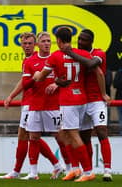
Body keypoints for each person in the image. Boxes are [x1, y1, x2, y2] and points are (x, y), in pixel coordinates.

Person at [33, 27, 99, 182]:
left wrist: (36, 75)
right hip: (82, 98)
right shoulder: (82, 54)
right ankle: (74, 169)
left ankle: (88, 171)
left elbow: (41, 77)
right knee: (63, 133)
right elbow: (94, 69)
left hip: (68, 101)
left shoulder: (56, 56)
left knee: (74, 135)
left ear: (59, 40)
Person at [0, 32, 66, 180]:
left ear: (35, 44)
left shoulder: (47, 59)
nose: (27, 46)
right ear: (21, 45)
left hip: (37, 103)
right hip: (29, 102)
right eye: (25, 43)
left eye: (30, 43)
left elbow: (31, 81)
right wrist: (11, 95)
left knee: (31, 135)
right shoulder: (27, 61)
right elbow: (24, 81)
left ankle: (20, 171)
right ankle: (53, 166)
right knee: (30, 136)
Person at [21, 31, 65, 180]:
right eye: (44, 41)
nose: (47, 43)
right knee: (33, 137)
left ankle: (71, 168)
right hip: (35, 105)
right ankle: (33, 173)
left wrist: (56, 83)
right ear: (38, 44)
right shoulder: (29, 61)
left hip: (54, 106)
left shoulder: (58, 58)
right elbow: (25, 85)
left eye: (49, 41)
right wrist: (35, 79)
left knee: (60, 137)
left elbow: (67, 79)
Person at [76, 29, 112, 181]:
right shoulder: (76, 54)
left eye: (83, 39)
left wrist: (72, 54)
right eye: (78, 39)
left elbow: (92, 64)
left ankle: (107, 170)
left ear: (91, 41)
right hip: (81, 100)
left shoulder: (99, 53)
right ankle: (88, 171)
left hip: (97, 100)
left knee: (102, 131)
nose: (80, 42)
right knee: (84, 138)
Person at [113, 68, 122, 134]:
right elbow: (115, 84)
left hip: (119, 97)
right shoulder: (119, 72)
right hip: (120, 97)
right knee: (121, 117)